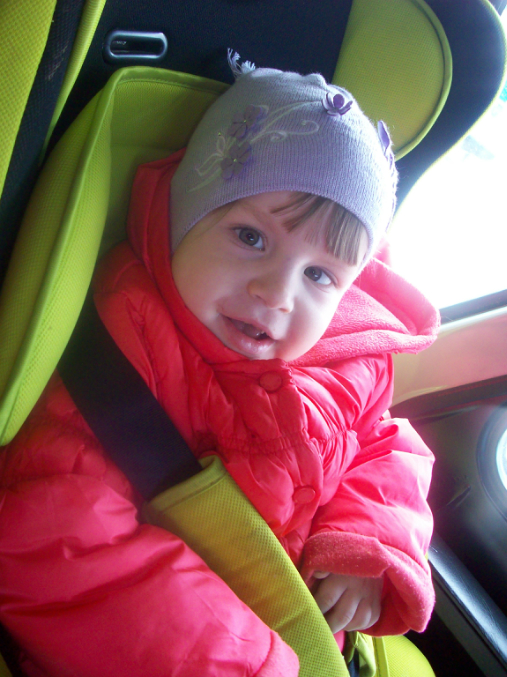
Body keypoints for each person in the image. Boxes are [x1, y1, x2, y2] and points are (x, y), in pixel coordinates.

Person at [0, 56, 439, 676]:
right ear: (184, 213)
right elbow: (55, 542)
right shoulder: (121, 350)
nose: (277, 294)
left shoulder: (347, 358)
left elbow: (384, 444)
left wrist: (367, 542)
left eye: (320, 275)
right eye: (250, 237)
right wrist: (253, 663)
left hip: (307, 629)